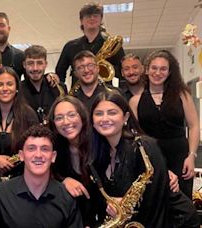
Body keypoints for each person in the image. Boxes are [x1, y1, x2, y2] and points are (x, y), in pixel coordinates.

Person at [91, 90, 199, 227]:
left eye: (112, 112)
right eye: (99, 113)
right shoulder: (98, 154)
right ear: (92, 121)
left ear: (126, 117)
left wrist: (123, 206)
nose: (105, 118)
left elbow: (156, 202)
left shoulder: (143, 147)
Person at [129, 50, 199, 199]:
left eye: (163, 69)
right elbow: (134, 135)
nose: (158, 72)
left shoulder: (182, 95)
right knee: (154, 202)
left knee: (182, 202)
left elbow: (194, 126)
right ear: (147, 70)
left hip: (180, 157)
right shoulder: (135, 101)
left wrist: (191, 156)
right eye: (154, 68)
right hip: (150, 158)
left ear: (169, 72)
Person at [0, 125, 83, 227]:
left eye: (45, 149)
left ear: (53, 157)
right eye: (31, 149)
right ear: (21, 156)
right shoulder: (1, 194)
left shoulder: (67, 197)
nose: (38, 155)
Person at [48, 95, 98, 227]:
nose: (66, 122)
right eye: (59, 118)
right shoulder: (54, 148)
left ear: (82, 116)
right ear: (53, 123)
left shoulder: (99, 144)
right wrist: (63, 181)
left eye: (71, 115)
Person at [0, 66, 38, 177]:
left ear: (17, 88)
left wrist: (14, 160)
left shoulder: (29, 115)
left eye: (9, 84)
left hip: (22, 176)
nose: (5, 89)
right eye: (0, 85)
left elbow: (35, 147)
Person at [55, 2, 125, 87]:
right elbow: (59, 74)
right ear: (81, 20)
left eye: (95, 15)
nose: (92, 18)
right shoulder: (70, 46)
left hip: (104, 95)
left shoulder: (112, 45)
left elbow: (123, 72)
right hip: (78, 96)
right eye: (88, 16)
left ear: (101, 19)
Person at [20, 45, 67, 124]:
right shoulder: (17, 91)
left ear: (46, 64)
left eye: (39, 63)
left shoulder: (60, 88)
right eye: (30, 63)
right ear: (24, 65)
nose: (35, 68)